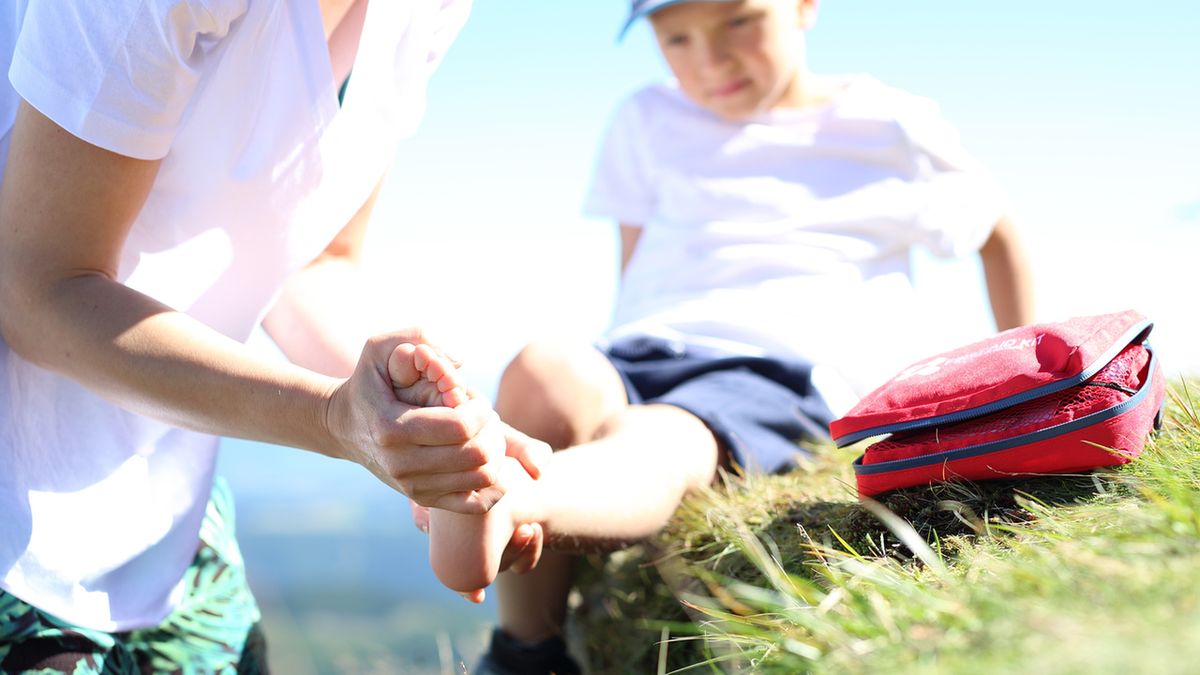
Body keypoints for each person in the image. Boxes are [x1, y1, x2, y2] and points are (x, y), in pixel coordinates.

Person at [418, 0, 1036, 673]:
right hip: (647, 342)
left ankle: (507, 496)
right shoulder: (646, 117)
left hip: (778, 364)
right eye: (676, 38)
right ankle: (527, 647)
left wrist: (1028, 377)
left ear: (803, 8)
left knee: (656, 437)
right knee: (542, 368)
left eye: (738, 21)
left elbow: (998, 234)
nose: (709, 59)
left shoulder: (888, 124)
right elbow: (639, 262)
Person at [0, 1, 549, 671]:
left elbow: (315, 264)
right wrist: (335, 420)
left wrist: (427, 420)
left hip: (163, 487)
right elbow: (36, 290)